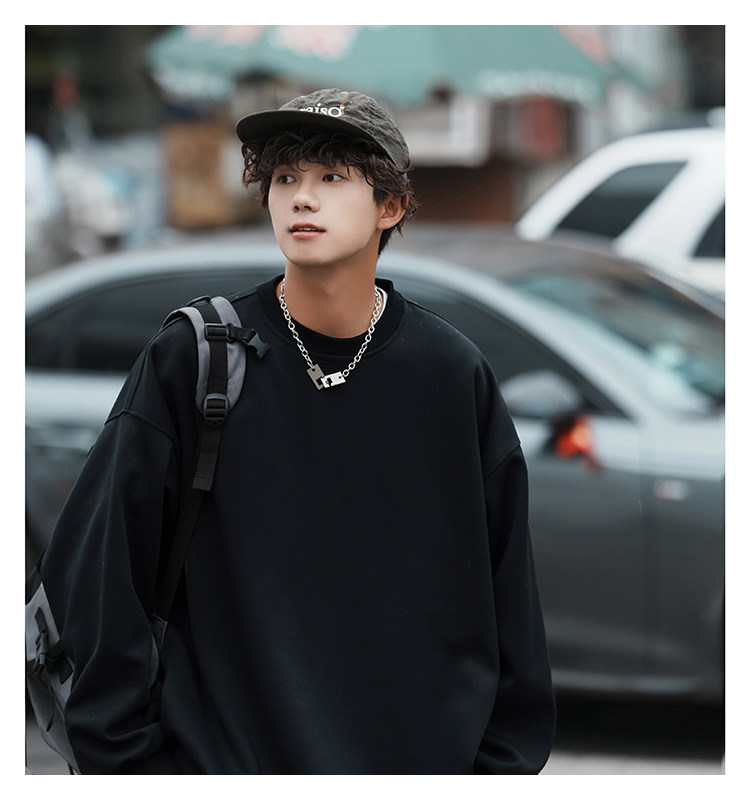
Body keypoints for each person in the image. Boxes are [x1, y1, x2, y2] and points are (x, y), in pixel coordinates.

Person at [40, 88, 556, 774]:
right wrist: (138, 770)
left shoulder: (452, 375)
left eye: (332, 178)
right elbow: (96, 586)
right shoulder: (194, 360)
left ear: (391, 206)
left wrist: (493, 773)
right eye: (285, 178)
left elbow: (510, 604)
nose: (302, 199)